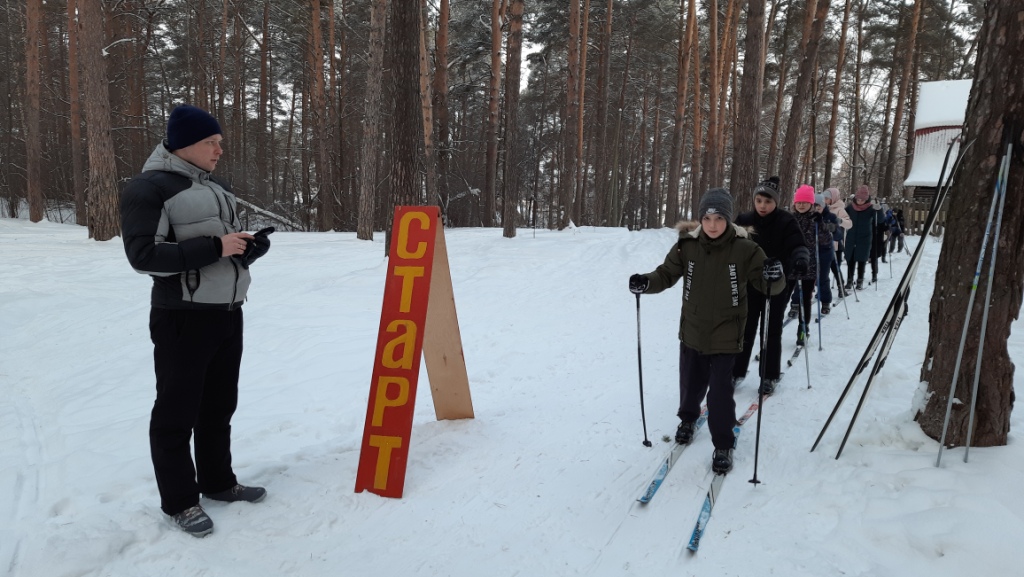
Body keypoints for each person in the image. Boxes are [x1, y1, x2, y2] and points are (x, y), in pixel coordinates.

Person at [120, 105, 271, 537]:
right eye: (211, 142)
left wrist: (248, 249)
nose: (219, 150)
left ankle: (218, 482)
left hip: (227, 312)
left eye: (219, 142)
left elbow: (222, 245)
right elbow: (143, 256)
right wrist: (216, 247)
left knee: (218, 406)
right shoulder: (148, 188)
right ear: (184, 144)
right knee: (176, 413)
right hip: (181, 318)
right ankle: (180, 501)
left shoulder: (217, 186)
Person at [628, 188, 786, 474]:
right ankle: (688, 419)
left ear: (728, 219)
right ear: (700, 219)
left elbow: (767, 285)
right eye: (707, 218)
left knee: (720, 394)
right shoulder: (687, 245)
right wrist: (646, 282)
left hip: (727, 333)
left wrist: (774, 276)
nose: (713, 225)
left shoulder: (745, 248)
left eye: (719, 218)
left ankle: (723, 443)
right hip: (693, 329)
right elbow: (666, 274)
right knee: (690, 384)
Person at [731, 176, 809, 395]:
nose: (762, 206)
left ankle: (769, 375)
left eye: (768, 201)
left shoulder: (786, 221)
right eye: (759, 200)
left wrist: (800, 259)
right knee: (745, 328)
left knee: (771, 329)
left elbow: (797, 244)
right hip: (750, 282)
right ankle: (736, 371)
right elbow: (730, 245)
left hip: (777, 282)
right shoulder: (744, 220)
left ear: (776, 201)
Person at [788, 185, 824, 345]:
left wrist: (821, 225)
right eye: (798, 202)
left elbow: (826, 240)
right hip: (790, 264)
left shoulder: (815, 220)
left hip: (809, 266)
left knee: (805, 299)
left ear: (811, 203)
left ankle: (803, 329)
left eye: (805, 202)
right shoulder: (788, 219)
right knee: (782, 297)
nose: (801, 205)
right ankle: (774, 329)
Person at [844, 185, 878, 291]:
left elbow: (880, 220)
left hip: (864, 238)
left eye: (862, 200)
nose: (859, 202)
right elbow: (843, 216)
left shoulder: (871, 208)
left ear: (866, 199)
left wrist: (879, 210)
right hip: (851, 237)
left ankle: (860, 281)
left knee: (861, 260)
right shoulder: (851, 207)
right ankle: (849, 281)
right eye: (858, 199)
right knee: (850, 260)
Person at [813, 193, 839, 315]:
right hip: (811, 250)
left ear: (823, 205)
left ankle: (825, 302)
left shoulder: (831, 216)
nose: (816, 208)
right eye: (813, 206)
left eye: (818, 205)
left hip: (825, 250)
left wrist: (832, 228)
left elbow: (838, 234)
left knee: (823, 278)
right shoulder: (808, 216)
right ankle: (796, 303)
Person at [824, 188, 852, 298]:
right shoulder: (822, 208)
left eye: (827, 198)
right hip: (824, 244)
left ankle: (841, 288)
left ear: (833, 198)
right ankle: (823, 289)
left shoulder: (840, 209)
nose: (825, 200)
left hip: (836, 244)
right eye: (824, 198)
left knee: (835, 268)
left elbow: (849, 224)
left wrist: (840, 221)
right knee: (823, 269)